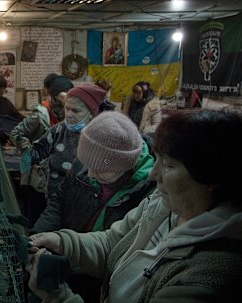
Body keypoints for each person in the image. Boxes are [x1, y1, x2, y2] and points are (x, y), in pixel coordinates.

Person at [27, 107, 242, 302]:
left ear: (212, 177)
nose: (154, 174)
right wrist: (63, 242)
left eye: (169, 166)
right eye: (157, 160)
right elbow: (113, 242)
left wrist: (56, 296)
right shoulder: (162, 207)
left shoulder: (210, 274)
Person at [31, 111, 156, 302]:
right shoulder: (89, 158)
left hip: (102, 281)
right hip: (70, 258)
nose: (89, 174)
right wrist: (39, 235)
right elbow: (60, 201)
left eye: (100, 171)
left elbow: (117, 247)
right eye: (87, 165)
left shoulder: (149, 194)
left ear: (126, 166)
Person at [28, 84, 107, 213]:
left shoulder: (100, 137)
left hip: (85, 207)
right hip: (54, 203)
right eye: (67, 109)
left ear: (92, 113)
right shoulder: (58, 131)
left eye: (75, 111)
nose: (69, 114)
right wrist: (26, 148)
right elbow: (37, 152)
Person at [0, 74, 25, 145]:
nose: (2, 91)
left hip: (3, 138)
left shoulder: (6, 103)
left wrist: (27, 120)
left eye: (3, 88)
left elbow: (17, 116)